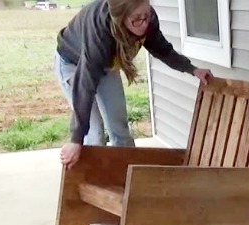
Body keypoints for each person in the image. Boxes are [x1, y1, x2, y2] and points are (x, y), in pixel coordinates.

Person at [54, 0, 212, 171]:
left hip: (107, 64)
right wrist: (75, 140)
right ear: (120, 19)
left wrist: (192, 69)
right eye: (137, 19)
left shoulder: (147, 20)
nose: (144, 24)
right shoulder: (100, 32)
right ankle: (92, 183)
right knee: (95, 133)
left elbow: (163, 50)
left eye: (147, 15)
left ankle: (127, 179)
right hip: (74, 64)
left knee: (119, 128)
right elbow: (85, 85)